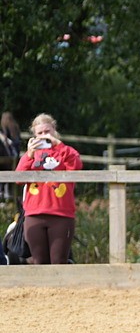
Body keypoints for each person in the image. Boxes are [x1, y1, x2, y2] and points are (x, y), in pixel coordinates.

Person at [14, 113, 82, 264]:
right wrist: (29, 155)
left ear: (54, 131)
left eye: (48, 131)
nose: (44, 135)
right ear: (34, 135)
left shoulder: (64, 151)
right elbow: (18, 178)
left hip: (61, 213)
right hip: (34, 214)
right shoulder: (30, 155)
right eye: (40, 133)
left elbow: (76, 165)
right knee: (39, 262)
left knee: (59, 262)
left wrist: (59, 145)